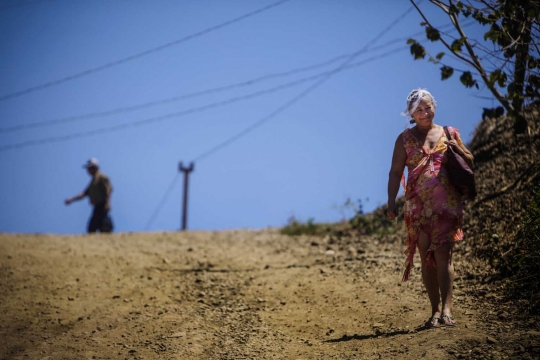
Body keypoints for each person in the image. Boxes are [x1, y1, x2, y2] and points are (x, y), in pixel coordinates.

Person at [387, 89, 474, 328]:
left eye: (428, 108)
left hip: (447, 205)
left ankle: (447, 310)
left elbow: (468, 160)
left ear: (434, 107)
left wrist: (462, 153)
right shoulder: (404, 139)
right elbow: (395, 172)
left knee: (444, 255)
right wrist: (391, 201)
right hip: (417, 207)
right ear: (411, 114)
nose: (425, 113)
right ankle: (434, 311)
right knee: (427, 258)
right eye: (419, 110)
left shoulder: (449, 133)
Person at [65, 158, 114, 233]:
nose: (88, 170)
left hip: (102, 205)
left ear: (94, 168)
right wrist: (72, 199)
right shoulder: (93, 182)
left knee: (104, 226)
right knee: (93, 228)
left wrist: (108, 203)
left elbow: (108, 190)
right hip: (96, 207)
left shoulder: (102, 177)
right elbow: (84, 194)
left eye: (89, 168)